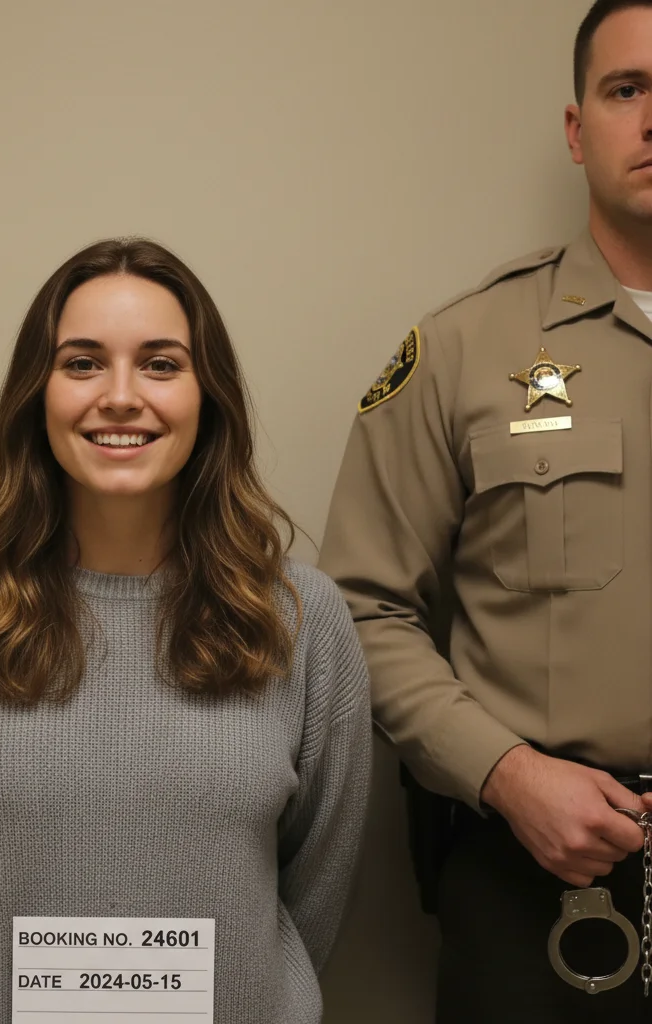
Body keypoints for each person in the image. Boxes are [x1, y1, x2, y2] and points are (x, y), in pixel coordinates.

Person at [0, 237, 371, 1023]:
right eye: (83, 363)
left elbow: (319, 881)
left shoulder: (303, 622)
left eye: (162, 364)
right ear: (38, 392)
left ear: (210, 397)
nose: (122, 396)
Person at [319, 2, 652, 1020]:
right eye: (626, 89)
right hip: (548, 884)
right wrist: (504, 773)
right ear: (575, 127)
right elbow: (357, 612)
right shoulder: (464, 351)